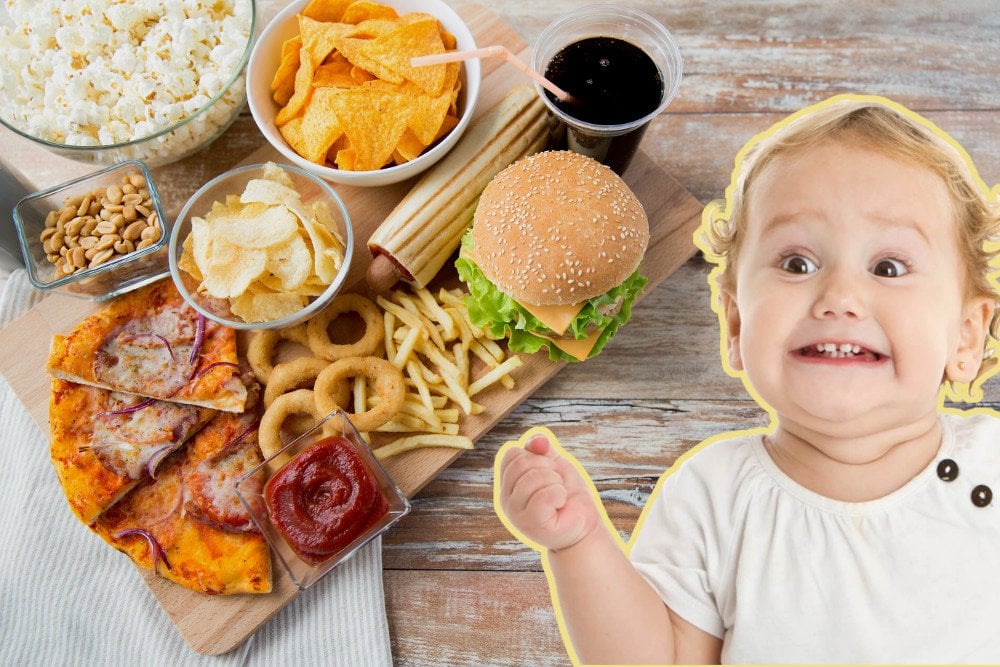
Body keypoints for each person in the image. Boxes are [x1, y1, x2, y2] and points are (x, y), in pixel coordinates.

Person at [495, 94, 1000, 664]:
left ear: (965, 335)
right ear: (736, 324)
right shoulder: (714, 494)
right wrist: (579, 544)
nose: (840, 298)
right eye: (797, 264)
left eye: (888, 267)